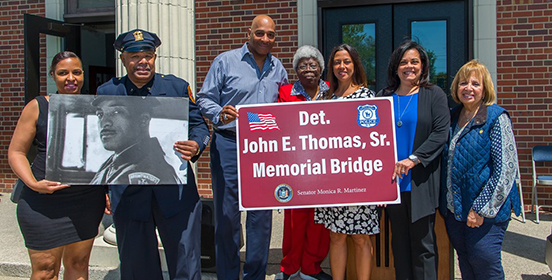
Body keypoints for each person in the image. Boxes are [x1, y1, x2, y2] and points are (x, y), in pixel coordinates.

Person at [96, 29, 210, 280]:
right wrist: (104, 189)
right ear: (123, 59)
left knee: (185, 261)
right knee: (137, 265)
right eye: (135, 56)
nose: (142, 61)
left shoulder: (176, 87)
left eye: (148, 55)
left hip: (175, 191)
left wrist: (196, 144)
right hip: (128, 191)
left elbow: (199, 126)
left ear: (155, 57)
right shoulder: (108, 91)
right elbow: (96, 142)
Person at [196, 14, 288, 280]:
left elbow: (285, 104)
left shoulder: (278, 68)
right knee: (227, 215)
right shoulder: (225, 61)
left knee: (261, 216)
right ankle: (227, 275)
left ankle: (255, 275)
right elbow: (204, 98)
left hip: (263, 148)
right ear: (250, 32)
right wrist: (219, 114)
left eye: (270, 35)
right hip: (229, 143)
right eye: (260, 33)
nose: (265, 39)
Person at [8, 51, 106, 279]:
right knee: (45, 271)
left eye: (76, 72)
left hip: (86, 200)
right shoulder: (38, 106)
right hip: (42, 201)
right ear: (53, 75)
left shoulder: (97, 107)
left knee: (79, 265)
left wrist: (108, 189)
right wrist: (33, 183)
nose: (71, 78)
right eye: (63, 73)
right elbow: (16, 151)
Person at [440, 59, 521, 280]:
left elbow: (506, 170)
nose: (468, 88)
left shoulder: (496, 118)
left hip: (485, 212)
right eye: (463, 83)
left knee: (485, 263)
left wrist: (481, 209)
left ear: (485, 89)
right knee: (466, 263)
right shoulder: (452, 117)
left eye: (475, 84)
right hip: (456, 210)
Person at [376, 40, 450, 280]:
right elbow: (371, 141)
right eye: (404, 62)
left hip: (420, 183)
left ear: (423, 65)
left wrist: (413, 159)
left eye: (414, 61)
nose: (409, 66)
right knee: (399, 245)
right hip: (392, 187)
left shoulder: (433, 94)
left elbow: (441, 133)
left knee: (423, 248)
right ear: (395, 67)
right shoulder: (383, 96)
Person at [313, 44, 379, 280]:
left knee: (361, 236)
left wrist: (378, 185)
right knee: (336, 235)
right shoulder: (324, 97)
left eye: (347, 61)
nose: (342, 66)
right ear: (331, 67)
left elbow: (375, 143)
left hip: (359, 179)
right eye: (337, 62)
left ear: (355, 65)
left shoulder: (367, 97)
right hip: (332, 179)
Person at [276, 45, 331, 280]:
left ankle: (311, 267)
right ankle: (290, 268)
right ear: (296, 70)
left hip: (326, 166)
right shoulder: (286, 93)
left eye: (313, 64)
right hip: (295, 165)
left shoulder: (332, 91)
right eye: (302, 65)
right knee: (295, 219)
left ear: (320, 69)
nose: (308, 69)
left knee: (319, 219)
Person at [90, 96, 181, 185]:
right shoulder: (116, 161)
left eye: (116, 112)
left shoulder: (145, 171)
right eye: (100, 114)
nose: (104, 123)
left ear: (143, 120)